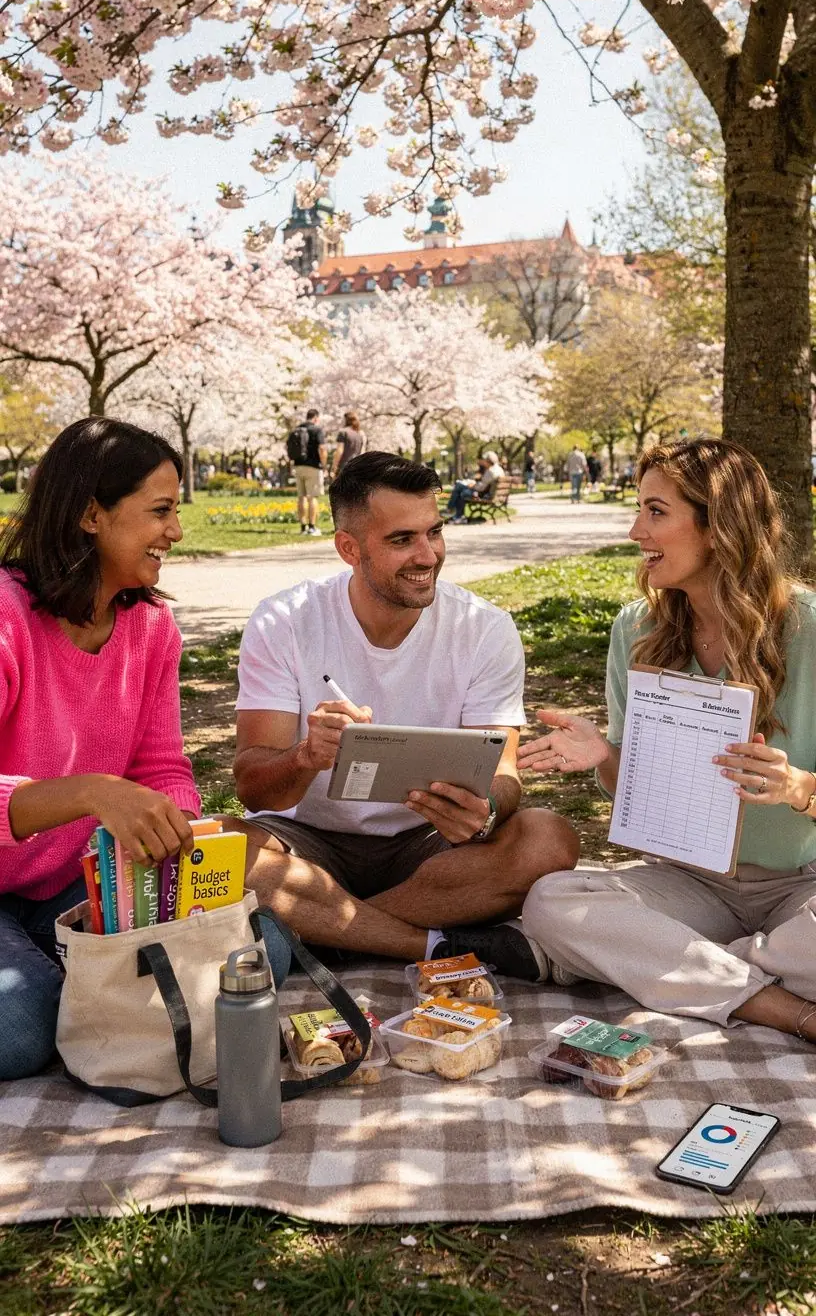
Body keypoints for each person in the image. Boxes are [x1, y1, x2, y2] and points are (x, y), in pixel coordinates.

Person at [231, 451, 578, 977]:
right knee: (219, 854)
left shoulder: (484, 627)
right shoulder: (284, 620)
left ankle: (328, 932)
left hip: (430, 849)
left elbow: (503, 772)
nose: (428, 555)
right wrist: (305, 756)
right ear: (349, 548)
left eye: (434, 532)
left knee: (548, 839)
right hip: (308, 843)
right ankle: (430, 945)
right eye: (402, 540)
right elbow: (255, 790)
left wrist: (483, 810)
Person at [518, 437, 816, 1045]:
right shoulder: (638, 629)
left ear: (718, 526)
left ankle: (686, 964)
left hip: (802, 885)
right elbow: (631, 783)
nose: (634, 531)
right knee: (552, 902)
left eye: (656, 511)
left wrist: (798, 788)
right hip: (691, 882)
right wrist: (604, 756)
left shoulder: (810, 629)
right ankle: (786, 1007)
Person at [0, 417, 202, 1081]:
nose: (175, 531)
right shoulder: (6, 619)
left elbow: (162, 768)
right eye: (161, 511)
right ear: (91, 514)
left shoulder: (151, 627)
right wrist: (91, 792)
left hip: (74, 884)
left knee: (266, 947)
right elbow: (107, 787)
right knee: (20, 1023)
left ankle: (84, 992)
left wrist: (177, 839)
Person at [287, 408, 327, 536]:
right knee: (313, 497)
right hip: (313, 467)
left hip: (298, 466)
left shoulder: (297, 429)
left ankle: (303, 527)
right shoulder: (317, 430)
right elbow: (322, 448)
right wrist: (324, 465)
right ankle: (312, 527)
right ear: (316, 418)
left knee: (301, 497)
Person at [446, 451, 504, 524]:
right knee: (461, 489)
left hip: (484, 495)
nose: (482, 462)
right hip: (492, 494)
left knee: (461, 490)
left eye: (484, 460)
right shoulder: (498, 469)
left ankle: (451, 510)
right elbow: (485, 484)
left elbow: (481, 488)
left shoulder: (491, 471)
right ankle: (456, 514)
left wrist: (472, 485)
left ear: (488, 461)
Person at [331, 411, 366, 480]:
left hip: (344, 467)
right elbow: (362, 452)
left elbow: (339, 451)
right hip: (356, 467)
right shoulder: (360, 434)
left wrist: (334, 467)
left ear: (346, 420)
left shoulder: (343, 432)